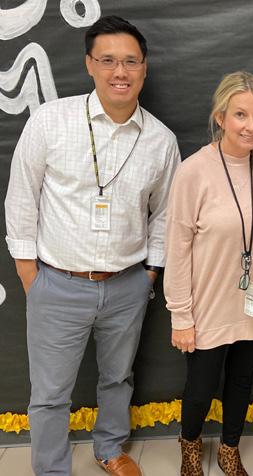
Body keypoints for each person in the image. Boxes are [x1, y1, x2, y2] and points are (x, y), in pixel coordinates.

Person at [4, 15, 180, 476]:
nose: (120, 72)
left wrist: (149, 274)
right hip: (56, 283)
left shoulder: (160, 140)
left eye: (130, 61)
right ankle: (52, 469)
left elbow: (165, 214)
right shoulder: (51, 121)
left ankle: (110, 448)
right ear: (89, 64)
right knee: (50, 393)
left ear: (144, 67)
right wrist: (29, 273)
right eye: (108, 60)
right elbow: (21, 198)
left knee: (118, 378)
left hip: (127, 284)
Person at [164, 71, 253, 476]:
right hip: (208, 306)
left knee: (242, 381)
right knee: (200, 388)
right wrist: (181, 315)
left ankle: (230, 447)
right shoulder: (193, 171)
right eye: (240, 115)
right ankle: (190, 445)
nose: (251, 126)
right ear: (220, 117)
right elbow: (176, 248)